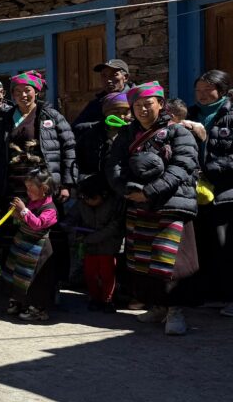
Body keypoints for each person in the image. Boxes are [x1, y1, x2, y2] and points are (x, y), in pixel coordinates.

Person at [106, 82, 199, 336]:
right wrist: (127, 190)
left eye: (148, 104)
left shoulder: (179, 133)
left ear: (160, 104)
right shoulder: (127, 134)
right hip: (138, 204)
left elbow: (182, 167)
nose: (143, 109)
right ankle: (157, 306)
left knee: (169, 260)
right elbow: (114, 165)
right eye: (137, 106)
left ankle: (175, 310)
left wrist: (148, 191)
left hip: (171, 204)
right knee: (142, 259)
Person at [0, 71, 75, 207]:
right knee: (18, 224)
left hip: (44, 184)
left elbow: (69, 148)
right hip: (14, 186)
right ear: (13, 95)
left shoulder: (51, 116)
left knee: (44, 222)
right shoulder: (3, 120)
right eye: (17, 91)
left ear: (36, 92)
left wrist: (66, 184)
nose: (23, 95)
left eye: (27, 90)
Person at [186, 70, 233, 315]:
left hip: (225, 191)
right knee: (203, 244)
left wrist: (208, 168)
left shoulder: (230, 115)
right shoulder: (191, 115)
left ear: (222, 91)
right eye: (199, 91)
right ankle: (212, 293)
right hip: (197, 192)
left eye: (208, 90)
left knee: (225, 245)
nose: (202, 95)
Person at [1, 169, 59, 322]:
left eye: (31, 188)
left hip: (38, 250)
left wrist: (23, 210)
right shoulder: (32, 202)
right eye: (26, 188)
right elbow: (23, 220)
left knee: (35, 280)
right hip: (22, 244)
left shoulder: (50, 209)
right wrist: (16, 214)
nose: (27, 192)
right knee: (17, 274)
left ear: (44, 189)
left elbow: (37, 224)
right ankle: (19, 302)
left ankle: (37, 309)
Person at [69, 174, 125, 311]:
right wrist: (75, 232)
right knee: (90, 274)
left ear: (104, 195)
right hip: (89, 247)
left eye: (92, 199)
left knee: (108, 274)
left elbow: (113, 228)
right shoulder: (83, 202)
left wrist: (89, 238)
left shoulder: (115, 203)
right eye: (85, 198)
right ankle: (94, 298)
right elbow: (72, 218)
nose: (88, 201)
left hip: (109, 246)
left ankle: (108, 300)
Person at [74, 92, 131, 181]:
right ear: (106, 114)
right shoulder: (90, 136)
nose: (122, 116)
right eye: (116, 112)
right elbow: (79, 163)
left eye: (126, 112)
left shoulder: (136, 134)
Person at [72, 59, 132, 127]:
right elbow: (76, 127)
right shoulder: (97, 103)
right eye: (104, 75)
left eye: (114, 75)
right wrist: (102, 125)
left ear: (125, 77)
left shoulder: (136, 100)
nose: (108, 80)